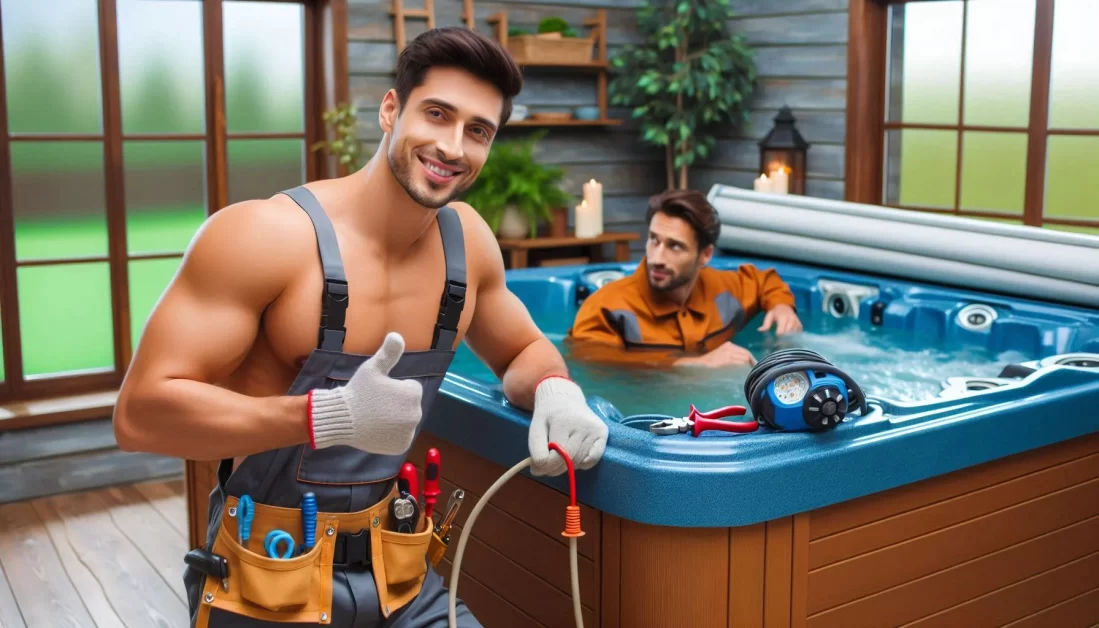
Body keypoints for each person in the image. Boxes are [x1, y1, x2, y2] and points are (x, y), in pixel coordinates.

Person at [113, 27, 608, 628]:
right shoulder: (265, 237)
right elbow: (139, 415)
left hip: (398, 571)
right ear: (391, 109)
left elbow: (522, 348)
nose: (453, 147)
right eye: (437, 114)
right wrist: (323, 417)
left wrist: (557, 388)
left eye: (478, 131)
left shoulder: (469, 242)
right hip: (268, 578)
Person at [567, 188, 802, 367]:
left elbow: (764, 281)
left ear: (706, 254)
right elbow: (589, 363)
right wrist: (692, 365)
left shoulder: (723, 288)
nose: (657, 258)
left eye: (675, 246)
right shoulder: (605, 308)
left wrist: (781, 306)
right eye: (654, 240)